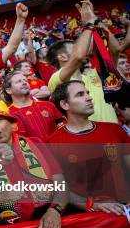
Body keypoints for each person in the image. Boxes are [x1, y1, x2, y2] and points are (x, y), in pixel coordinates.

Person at [0, 100, 67, 228]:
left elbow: (61, 184)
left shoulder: (36, 144)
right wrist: (1, 196)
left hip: (47, 224)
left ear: (13, 125)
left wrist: (55, 210)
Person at [49, 81, 129, 214]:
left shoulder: (114, 129)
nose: (89, 97)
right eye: (80, 94)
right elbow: (62, 189)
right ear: (65, 104)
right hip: (87, 217)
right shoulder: (53, 143)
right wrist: (93, 205)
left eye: (88, 93)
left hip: (124, 209)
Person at [47, 0, 117, 123]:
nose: (81, 48)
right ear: (62, 56)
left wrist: (95, 19)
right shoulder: (56, 81)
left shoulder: (94, 74)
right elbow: (78, 56)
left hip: (116, 136)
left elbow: (115, 49)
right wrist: (89, 25)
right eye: (75, 47)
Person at [3, 71, 63, 141]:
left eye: (25, 80)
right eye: (18, 82)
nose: (24, 83)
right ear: (9, 90)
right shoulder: (7, 115)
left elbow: (63, 126)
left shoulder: (48, 105)